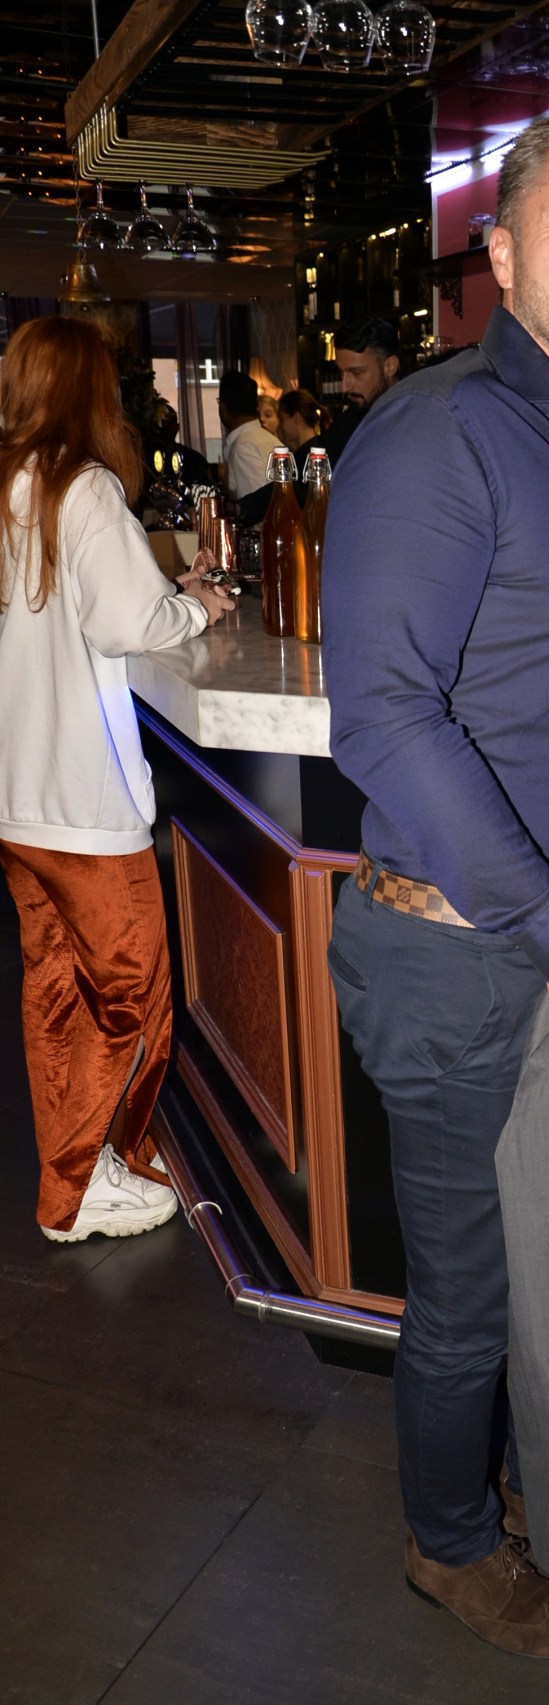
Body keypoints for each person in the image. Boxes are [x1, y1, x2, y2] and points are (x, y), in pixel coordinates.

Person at [321, 113, 549, 1660]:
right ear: (505, 251)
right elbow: (381, 719)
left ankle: (503, 1485)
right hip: (459, 947)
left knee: (539, 1267)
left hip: (544, 939)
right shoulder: (440, 431)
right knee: (469, 1288)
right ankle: (448, 1542)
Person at [0, 316, 235, 1243]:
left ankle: (86, 1163)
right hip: (84, 799)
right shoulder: (85, 486)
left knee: (55, 990)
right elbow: (131, 621)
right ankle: (74, 1188)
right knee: (133, 994)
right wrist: (197, 607)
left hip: (19, 795)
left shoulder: (11, 484)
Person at [311, 316, 401, 467]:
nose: (345, 386)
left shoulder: (417, 420)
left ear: (390, 366)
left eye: (356, 373)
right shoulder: (342, 428)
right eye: (341, 372)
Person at [217, 370, 279, 500]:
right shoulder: (269, 439)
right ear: (257, 405)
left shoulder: (243, 448)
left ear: (222, 407)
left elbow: (257, 505)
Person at [276, 388, 324, 458]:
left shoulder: (303, 456)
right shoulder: (321, 447)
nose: (280, 425)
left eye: (282, 419)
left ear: (297, 418)